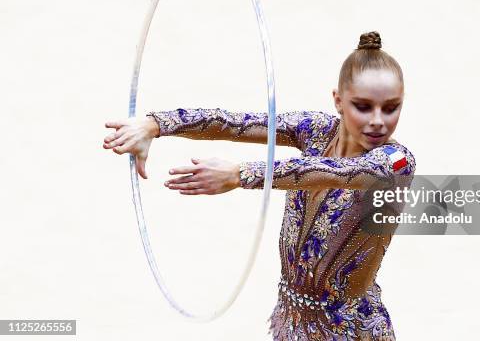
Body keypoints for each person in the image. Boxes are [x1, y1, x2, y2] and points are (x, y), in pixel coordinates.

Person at [103, 31, 415, 340]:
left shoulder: (395, 162)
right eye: (363, 106)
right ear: (338, 100)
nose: (378, 121)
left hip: (350, 331)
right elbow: (235, 123)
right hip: (292, 324)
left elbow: (328, 172)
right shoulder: (316, 129)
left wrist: (240, 174)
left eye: (391, 108)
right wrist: (155, 125)